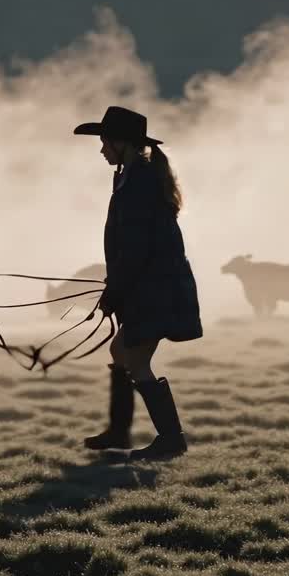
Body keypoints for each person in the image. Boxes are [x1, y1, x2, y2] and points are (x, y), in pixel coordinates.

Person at [74, 106, 203, 460]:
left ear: (122, 143)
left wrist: (115, 289)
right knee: (121, 353)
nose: (101, 150)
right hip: (150, 286)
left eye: (104, 142)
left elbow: (135, 247)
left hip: (155, 289)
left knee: (137, 360)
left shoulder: (139, 183)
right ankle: (120, 431)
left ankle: (171, 440)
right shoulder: (133, 176)